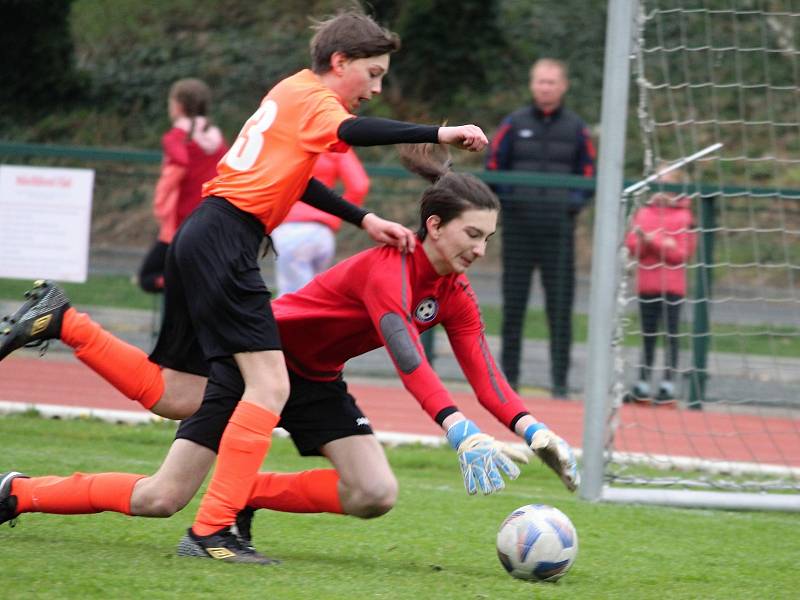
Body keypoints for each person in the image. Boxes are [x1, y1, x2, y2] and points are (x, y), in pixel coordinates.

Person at [0, 10, 488, 563]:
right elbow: (352, 134)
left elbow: (294, 178)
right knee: (270, 384)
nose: (376, 88)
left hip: (206, 234)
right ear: (340, 62)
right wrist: (438, 132)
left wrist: (363, 219)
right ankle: (211, 531)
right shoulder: (316, 100)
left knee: (178, 400)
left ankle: (60, 333)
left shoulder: (291, 95)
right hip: (226, 240)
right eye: (372, 74)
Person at [0, 144, 578, 566]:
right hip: (260, 360)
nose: (480, 249)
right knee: (162, 494)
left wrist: (534, 430)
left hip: (316, 378)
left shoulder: (455, 293)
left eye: (487, 239)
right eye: (472, 235)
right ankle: (18, 492)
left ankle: (243, 489)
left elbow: (486, 377)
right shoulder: (390, 269)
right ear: (434, 226)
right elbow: (407, 356)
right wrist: (457, 429)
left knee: (375, 494)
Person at [486, 58, 595, 398]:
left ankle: (560, 385)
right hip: (518, 232)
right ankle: (508, 383)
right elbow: (492, 167)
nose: (545, 87)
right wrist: (511, 202)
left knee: (560, 310)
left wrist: (570, 205)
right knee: (513, 308)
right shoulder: (513, 124)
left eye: (551, 82)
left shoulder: (577, 129)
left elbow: (589, 174)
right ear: (532, 85)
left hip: (559, 234)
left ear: (563, 86)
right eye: (540, 81)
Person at [137, 78, 228, 294]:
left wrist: (161, 210)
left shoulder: (176, 138)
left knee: (148, 277)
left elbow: (172, 175)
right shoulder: (218, 141)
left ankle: (181, 283)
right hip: (210, 221)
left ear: (177, 106)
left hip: (179, 224)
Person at [623, 166, 696, 404]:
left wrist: (657, 242)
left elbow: (681, 254)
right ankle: (642, 382)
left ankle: (668, 383)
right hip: (647, 284)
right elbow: (634, 246)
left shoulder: (684, 216)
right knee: (648, 335)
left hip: (673, 287)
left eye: (667, 184)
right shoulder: (643, 213)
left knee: (672, 335)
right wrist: (655, 242)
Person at [272, 148, 370, 295]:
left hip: (289, 229)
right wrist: (336, 215)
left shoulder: (286, 138)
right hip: (322, 233)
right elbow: (359, 186)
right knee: (314, 296)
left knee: (292, 299)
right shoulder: (334, 144)